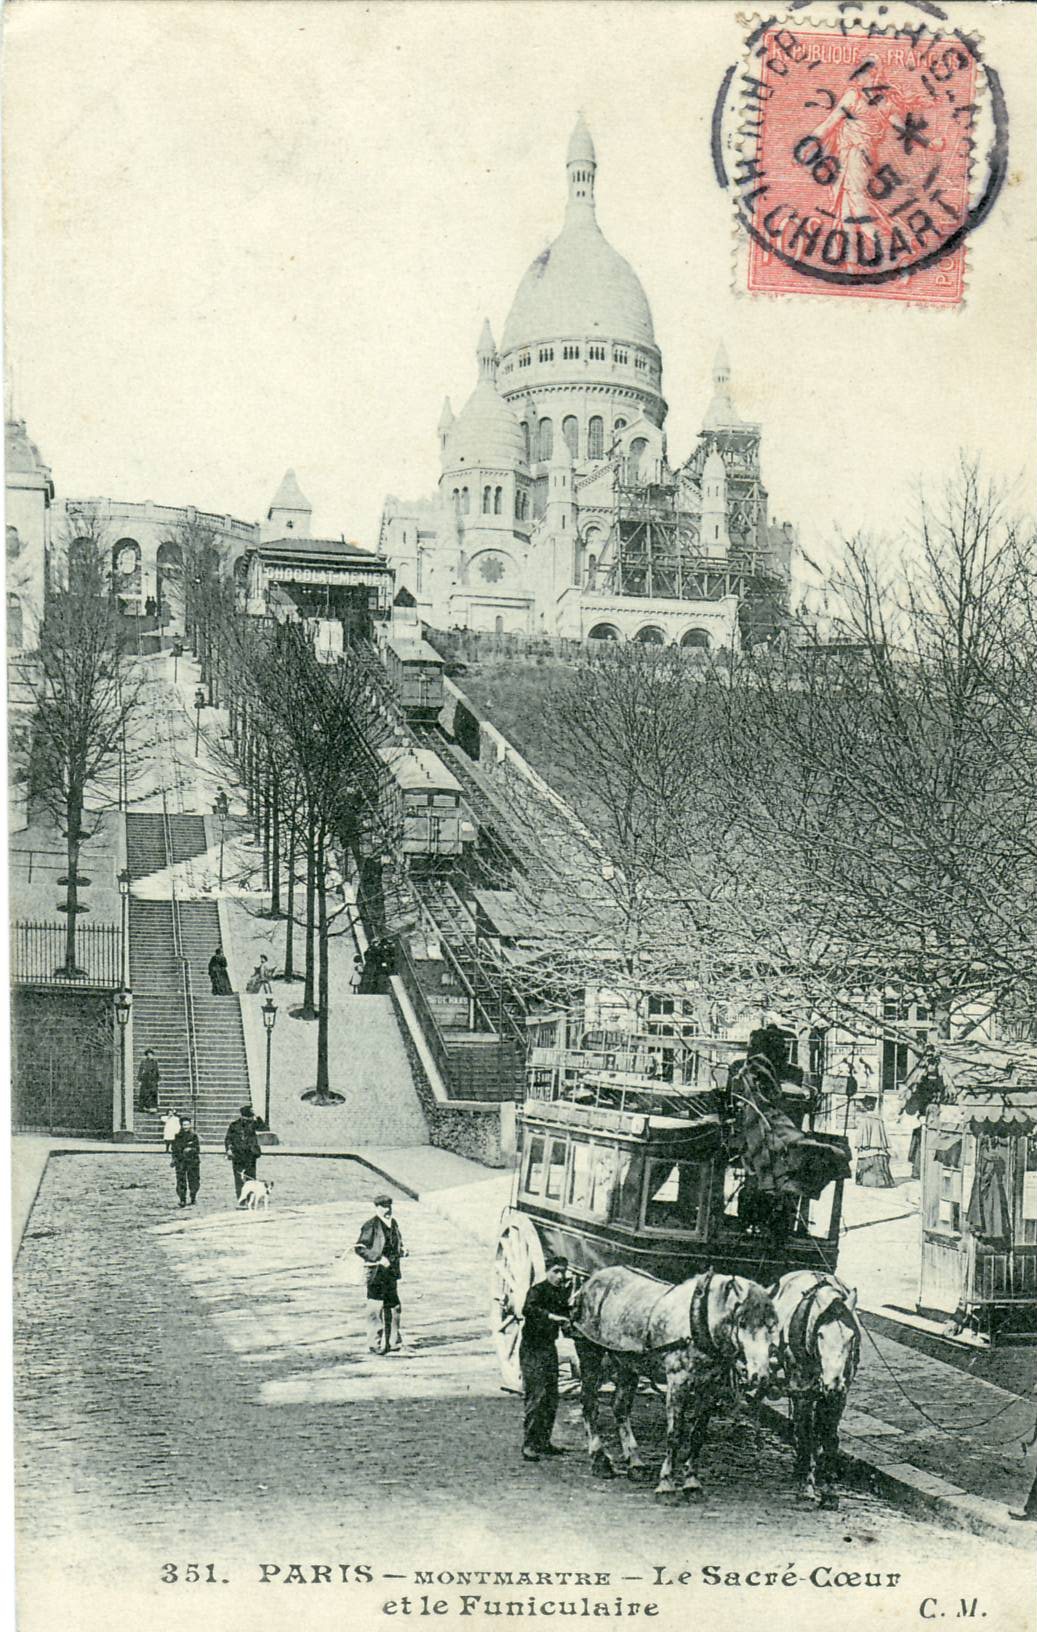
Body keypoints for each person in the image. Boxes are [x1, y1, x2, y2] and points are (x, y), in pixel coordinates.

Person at [519, 1256, 572, 1463]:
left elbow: (566, 1313)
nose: (560, 1276)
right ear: (547, 1271)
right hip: (532, 1349)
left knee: (551, 1397)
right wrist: (552, 1317)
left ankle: (544, 1441)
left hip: (548, 1349)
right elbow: (528, 1309)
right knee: (536, 1395)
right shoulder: (537, 1290)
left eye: (563, 1272)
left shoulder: (559, 1293)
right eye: (556, 1271)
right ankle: (529, 1445)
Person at [354, 1194, 406, 1355]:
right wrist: (377, 1258)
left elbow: (396, 1242)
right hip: (377, 1272)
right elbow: (359, 1248)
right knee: (375, 1308)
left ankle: (394, 1342)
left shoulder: (393, 1223)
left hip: (391, 1272)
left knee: (394, 1307)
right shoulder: (371, 1225)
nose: (388, 1209)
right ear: (377, 1208)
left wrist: (402, 1250)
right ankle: (374, 1344)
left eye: (389, 1206)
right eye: (384, 1207)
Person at [224, 1104, 262, 1199]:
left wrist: (257, 1116)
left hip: (250, 1154)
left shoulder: (254, 1124)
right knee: (238, 1177)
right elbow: (228, 1138)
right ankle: (241, 1197)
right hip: (238, 1154)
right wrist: (228, 1149)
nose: (249, 1119)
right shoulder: (234, 1125)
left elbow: (264, 1128)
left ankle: (251, 1197)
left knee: (251, 1176)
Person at [170, 1116, 201, 1208]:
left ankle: (193, 1197)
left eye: (187, 1124)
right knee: (181, 1181)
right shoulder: (177, 1136)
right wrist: (174, 1159)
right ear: (181, 1125)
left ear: (190, 1125)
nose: (186, 1127)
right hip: (181, 1161)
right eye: (184, 1125)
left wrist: (190, 1149)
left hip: (192, 1161)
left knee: (194, 1179)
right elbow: (174, 1149)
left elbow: (197, 1149)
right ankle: (182, 1199)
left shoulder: (194, 1136)